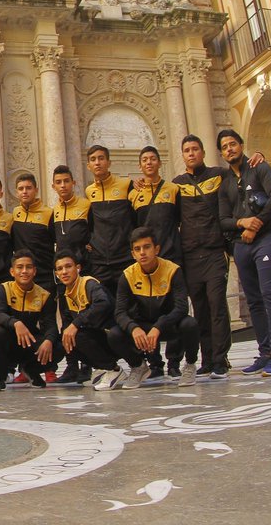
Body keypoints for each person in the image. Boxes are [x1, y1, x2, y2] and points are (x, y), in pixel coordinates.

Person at [217, 129, 271, 377]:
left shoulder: (259, 167)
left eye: (233, 144)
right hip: (242, 245)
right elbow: (223, 219)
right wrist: (242, 224)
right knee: (254, 300)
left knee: (269, 294)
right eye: (224, 147)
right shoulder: (225, 183)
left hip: (265, 239)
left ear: (241, 145)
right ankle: (264, 352)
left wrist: (256, 222)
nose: (229, 149)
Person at [107, 227, 200, 389]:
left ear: (156, 249)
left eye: (147, 247)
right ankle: (138, 367)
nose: (142, 252)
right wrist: (133, 328)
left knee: (190, 324)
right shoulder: (127, 275)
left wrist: (159, 326)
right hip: (142, 327)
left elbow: (181, 307)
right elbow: (119, 312)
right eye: (137, 249)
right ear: (133, 254)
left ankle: (190, 365)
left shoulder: (173, 270)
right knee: (114, 334)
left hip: (167, 326)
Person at [172, 134, 233, 380]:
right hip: (190, 255)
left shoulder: (220, 175)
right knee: (200, 310)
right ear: (182, 155)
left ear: (203, 152)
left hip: (214, 252)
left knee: (217, 306)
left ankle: (221, 359)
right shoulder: (177, 184)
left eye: (195, 149)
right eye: (186, 150)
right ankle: (207, 359)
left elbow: (240, 175)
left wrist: (256, 159)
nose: (191, 153)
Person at [128, 146, 182, 377]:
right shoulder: (134, 194)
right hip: (145, 263)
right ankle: (154, 362)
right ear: (140, 166)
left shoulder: (173, 189)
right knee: (145, 312)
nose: (149, 163)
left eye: (152, 159)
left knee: (174, 311)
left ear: (160, 163)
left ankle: (174, 362)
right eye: (144, 160)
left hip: (170, 256)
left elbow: (180, 219)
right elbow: (131, 226)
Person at [51, 249, 124, 390]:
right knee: (67, 339)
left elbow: (103, 304)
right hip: (99, 337)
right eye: (60, 269)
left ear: (78, 268)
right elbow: (67, 326)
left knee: (76, 333)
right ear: (56, 274)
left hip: (116, 337)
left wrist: (76, 324)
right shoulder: (65, 294)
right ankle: (102, 368)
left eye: (68, 266)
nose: (64, 272)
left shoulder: (89, 284)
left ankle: (113, 370)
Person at [0, 250, 60, 390]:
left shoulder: (44, 294)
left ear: (34, 271)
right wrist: (15, 323)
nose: (24, 271)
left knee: (59, 346)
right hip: (8, 342)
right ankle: (0, 377)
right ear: (12, 271)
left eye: (28, 267)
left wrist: (48, 341)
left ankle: (31, 370)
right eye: (20, 267)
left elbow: (51, 324)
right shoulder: (5, 288)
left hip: (30, 343)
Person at [85, 145, 135, 294]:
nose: (97, 163)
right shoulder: (89, 191)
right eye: (93, 160)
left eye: (101, 158)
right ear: (88, 166)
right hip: (100, 262)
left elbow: (136, 218)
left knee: (127, 305)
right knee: (104, 307)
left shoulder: (126, 185)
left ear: (109, 162)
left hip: (124, 258)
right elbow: (91, 224)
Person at [11, 173, 56, 292]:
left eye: (28, 188)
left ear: (36, 190)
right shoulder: (15, 214)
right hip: (22, 278)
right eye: (21, 189)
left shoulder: (49, 213)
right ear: (17, 192)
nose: (24, 191)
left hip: (44, 278)